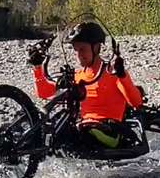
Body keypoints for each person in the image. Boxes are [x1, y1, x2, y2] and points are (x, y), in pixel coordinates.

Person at [29, 21, 143, 152]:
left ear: (96, 48)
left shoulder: (112, 73)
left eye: (83, 49)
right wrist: (37, 67)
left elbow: (136, 102)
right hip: (84, 127)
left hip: (109, 130)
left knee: (75, 133)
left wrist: (122, 76)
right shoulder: (77, 76)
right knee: (45, 131)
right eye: (76, 50)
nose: (79, 55)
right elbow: (44, 92)